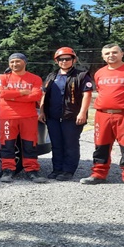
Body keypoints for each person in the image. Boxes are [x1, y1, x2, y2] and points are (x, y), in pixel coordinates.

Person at [80, 44, 124, 190]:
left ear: (122, 53)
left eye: (114, 52)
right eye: (107, 53)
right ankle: (98, 174)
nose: (111, 55)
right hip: (102, 115)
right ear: (103, 56)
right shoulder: (100, 73)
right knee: (100, 146)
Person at [38, 47, 94, 181]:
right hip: (53, 116)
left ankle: (68, 170)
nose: (64, 61)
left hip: (72, 116)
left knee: (70, 144)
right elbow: (44, 94)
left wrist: (82, 113)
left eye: (67, 59)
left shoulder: (81, 75)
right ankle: (57, 169)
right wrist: (42, 111)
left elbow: (87, 95)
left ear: (73, 60)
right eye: (61, 59)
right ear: (56, 61)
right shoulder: (52, 76)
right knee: (56, 144)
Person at [0, 53, 46, 183]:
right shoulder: (2, 77)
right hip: (7, 117)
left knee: (30, 145)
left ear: (24, 62)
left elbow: (35, 96)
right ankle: (8, 171)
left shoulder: (35, 78)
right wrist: (22, 93)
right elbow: (1, 93)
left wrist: (12, 97)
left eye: (17, 61)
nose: (14, 64)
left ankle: (32, 171)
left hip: (28, 117)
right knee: (7, 144)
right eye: (12, 62)